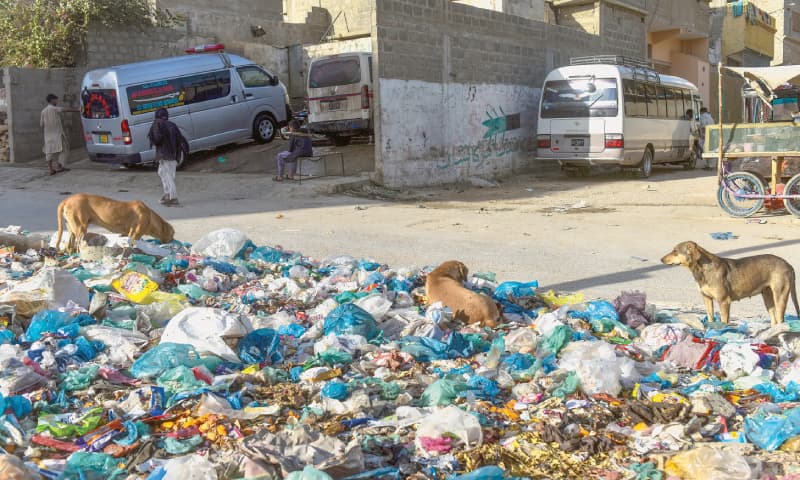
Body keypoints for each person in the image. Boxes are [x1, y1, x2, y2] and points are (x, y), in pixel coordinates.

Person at [147, 108, 185, 206]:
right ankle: (167, 194)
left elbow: (157, 139)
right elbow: (180, 139)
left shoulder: (157, 123)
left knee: (167, 176)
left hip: (164, 154)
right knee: (162, 172)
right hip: (174, 154)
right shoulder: (172, 125)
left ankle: (173, 197)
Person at [40, 94, 79, 175]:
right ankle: (60, 166)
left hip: (47, 135)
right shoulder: (54, 109)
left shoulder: (43, 111)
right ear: (52, 100)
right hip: (57, 135)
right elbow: (65, 109)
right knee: (65, 149)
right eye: (56, 100)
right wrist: (78, 110)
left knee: (49, 152)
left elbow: (41, 124)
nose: (57, 101)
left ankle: (51, 169)